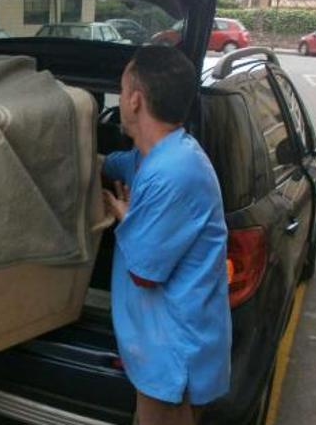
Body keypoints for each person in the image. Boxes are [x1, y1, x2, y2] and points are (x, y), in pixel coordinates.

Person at [101, 46, 231, 425]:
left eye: (122, 91)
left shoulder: (175, 172)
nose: (121, 99)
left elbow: (144, 272)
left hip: (173, 354)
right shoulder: (155, 155)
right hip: (155, 348)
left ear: (136, 100)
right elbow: (116, 163)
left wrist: (124, 214)